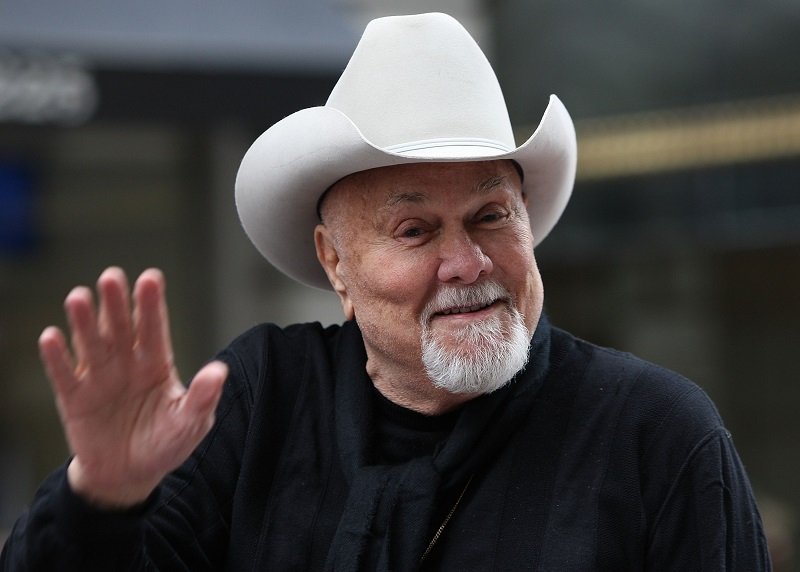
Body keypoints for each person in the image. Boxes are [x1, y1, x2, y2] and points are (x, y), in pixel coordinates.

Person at [1, 12, 770, 571]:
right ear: (335, 265)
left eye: (490, 216)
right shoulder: (261, 400)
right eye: (415, 231)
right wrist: (102, 497)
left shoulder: (656, 436)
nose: (466, 262)